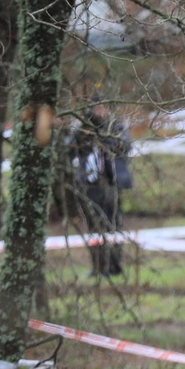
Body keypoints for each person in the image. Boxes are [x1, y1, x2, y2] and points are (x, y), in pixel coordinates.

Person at [68, 101, 132, 277]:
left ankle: (115, 265)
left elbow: (125, 147)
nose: (100, 111)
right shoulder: (82, 130)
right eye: (97, 108)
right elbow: (70, 150)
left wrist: (104, 139)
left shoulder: (116, 127)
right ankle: (98, 266)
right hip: (90, 183)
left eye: (103, 107)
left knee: (113, 224)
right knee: (94, 226)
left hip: (111, 182)